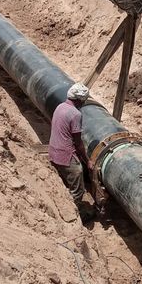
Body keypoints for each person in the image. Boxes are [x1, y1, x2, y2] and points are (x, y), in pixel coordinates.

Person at [48, 82, 95, 220]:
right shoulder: (76, 114)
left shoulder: (60, 106)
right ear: (80, 100)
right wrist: (88, 161)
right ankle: (76, 215)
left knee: (66, 180)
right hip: (65, 155)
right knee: (78, 184)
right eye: (84, 101)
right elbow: (79, 143)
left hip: (53, 150)